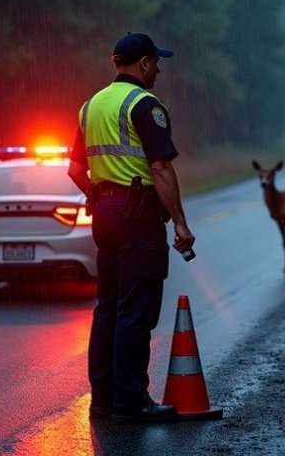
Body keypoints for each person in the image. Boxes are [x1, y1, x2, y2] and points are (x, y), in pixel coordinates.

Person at [68, 32, 195, 423]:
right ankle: (131, 401)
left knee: (107, 308)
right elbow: (160, 167)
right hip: (137, 216)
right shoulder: (144, 104)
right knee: (135, 311)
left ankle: (102, 401)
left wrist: (101, 194)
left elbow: (74, 169)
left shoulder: (90, 106)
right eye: (156, 62)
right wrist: (179, 222)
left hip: (103, 214)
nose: (158, 69)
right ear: (142, 63)